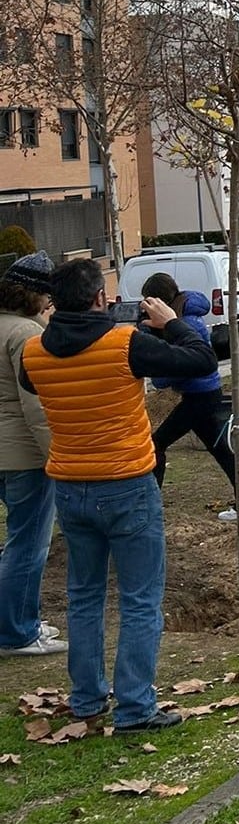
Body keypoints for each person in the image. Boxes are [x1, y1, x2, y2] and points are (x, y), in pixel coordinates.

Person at [20, 258, 217, 732]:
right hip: (127, 483)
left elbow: (32, 379)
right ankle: (134, 707)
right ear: (99, 300)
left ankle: (87, 700)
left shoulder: (32, 353)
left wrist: (53, 325)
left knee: (83, 597)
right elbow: (202, 360)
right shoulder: (124, 343)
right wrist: (172, 325)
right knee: (140, 598)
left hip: (70, 488)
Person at [140, 273, 239, 522]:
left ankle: (150, 509)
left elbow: (184, 365)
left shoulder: (185, 323)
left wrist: (160, 375)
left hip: (200, 396)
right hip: (201, 394)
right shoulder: (186, 318)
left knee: (157, 444)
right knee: (220, 451)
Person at [0, 251, 65, 657]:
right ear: (36, 295)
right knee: (28, 544)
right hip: (23, 455)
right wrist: (55, 456)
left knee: (16, 543)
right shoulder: (27, 334)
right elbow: (35, 404)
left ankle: (22, 619)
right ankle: (18, 633)